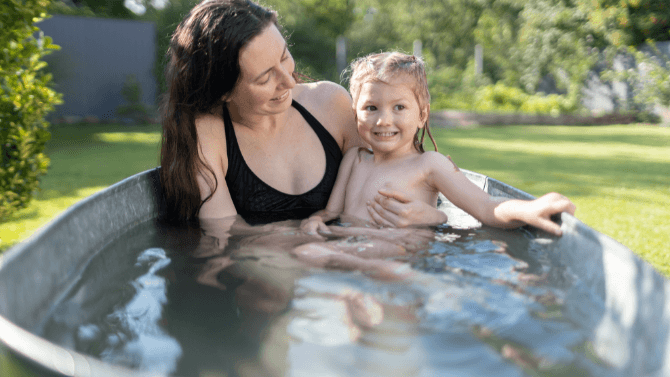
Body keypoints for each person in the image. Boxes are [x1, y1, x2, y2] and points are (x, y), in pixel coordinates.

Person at [159, 0, 448, 226]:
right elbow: (221, 237)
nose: (289, 81)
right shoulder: (208, 133)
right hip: (268, 285)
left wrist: (432, 216)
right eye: (264, 78)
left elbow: (402, 177)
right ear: (222, 91)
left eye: (284, 56)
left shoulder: (330, 103)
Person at [301, 52, 576, 237]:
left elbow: (486, 206)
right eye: (371, 107)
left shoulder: (429, 165)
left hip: (396, 259)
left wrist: (529, 209)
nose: (384, 120)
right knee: (307, 254)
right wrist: (315, 221)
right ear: (355, 114)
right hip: (350, 247)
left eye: (399, 107)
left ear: (422, 115)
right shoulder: (354, 159)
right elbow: (331, 213)